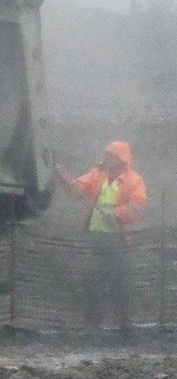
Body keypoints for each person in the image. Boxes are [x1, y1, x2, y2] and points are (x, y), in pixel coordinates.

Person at [56, 141, 147, 334]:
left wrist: (116, 214)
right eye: (108, 156)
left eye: (112, 156)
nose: (108, 160)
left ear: (122, 160)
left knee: (122, 283)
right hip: (96, 239)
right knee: (91, 281)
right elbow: (79, 188)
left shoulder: (134, 181)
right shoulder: (98, 174)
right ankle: (91, 326)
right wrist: (64, 178)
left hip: (120, 241)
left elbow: (137, 207)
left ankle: (125, 326)